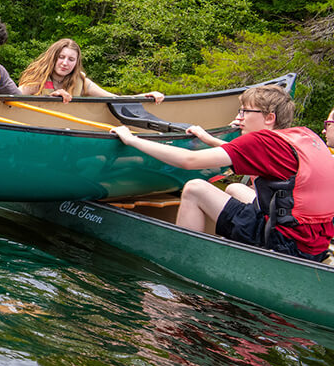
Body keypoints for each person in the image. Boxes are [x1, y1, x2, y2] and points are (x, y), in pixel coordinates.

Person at [111, 85, 334, 262]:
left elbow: (189, 161)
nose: (240, 117)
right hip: (314, 245)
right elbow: (241, 155)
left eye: (245, 111)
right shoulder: (301, 137)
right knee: (235, 187)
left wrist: (132, 140)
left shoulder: (262, 142)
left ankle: (182, 260)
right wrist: (207, 138)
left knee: (195, 189)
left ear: (269, 118)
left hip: (283, 244)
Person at [18, 38, 165, 104]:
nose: (65, 63)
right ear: (53, 58)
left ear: (76, 63)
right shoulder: (38, 80)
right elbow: (13, 96)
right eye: (61, 57)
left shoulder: (81, 82)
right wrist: (51, 99)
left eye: (71, 59)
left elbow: (114, 98)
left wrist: (144, 96)